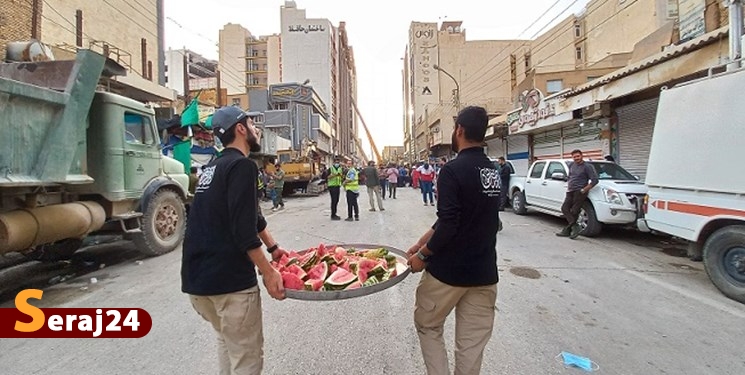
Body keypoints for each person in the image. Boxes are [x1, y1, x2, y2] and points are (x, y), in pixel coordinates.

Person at [181, 106, 287, 374]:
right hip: (231, 286)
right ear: (241, 129)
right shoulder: (242, 166)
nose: (256, 129)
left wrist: (273, 247)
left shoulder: (213, 167)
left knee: (228, 346)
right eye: (251, 123)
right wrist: (268, 272)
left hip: (199, 285)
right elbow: (243, 231)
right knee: (247, 361)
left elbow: (253, 215)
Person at [406, 106, 500, 375]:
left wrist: (422, 256)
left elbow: (449, 223)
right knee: (470, 348)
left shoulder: (452, 170)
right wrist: (419, 243)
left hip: (447, 275)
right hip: (484, 275)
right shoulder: (492, 170)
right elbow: (457, 217)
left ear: (459, 130)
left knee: (429, 326)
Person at [557, 149, 599, 239]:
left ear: (581, 156)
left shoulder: (587, 166)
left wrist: (584, 190)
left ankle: (567, 230)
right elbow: (570, 176)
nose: (576, 158)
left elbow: (595, 180)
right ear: (572, 157)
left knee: (574, 211)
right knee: (564, 208)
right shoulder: (571, 165)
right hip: (570, 190)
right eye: (574, 157)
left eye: (578, 156)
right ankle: (575, 226)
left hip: (580, 191)